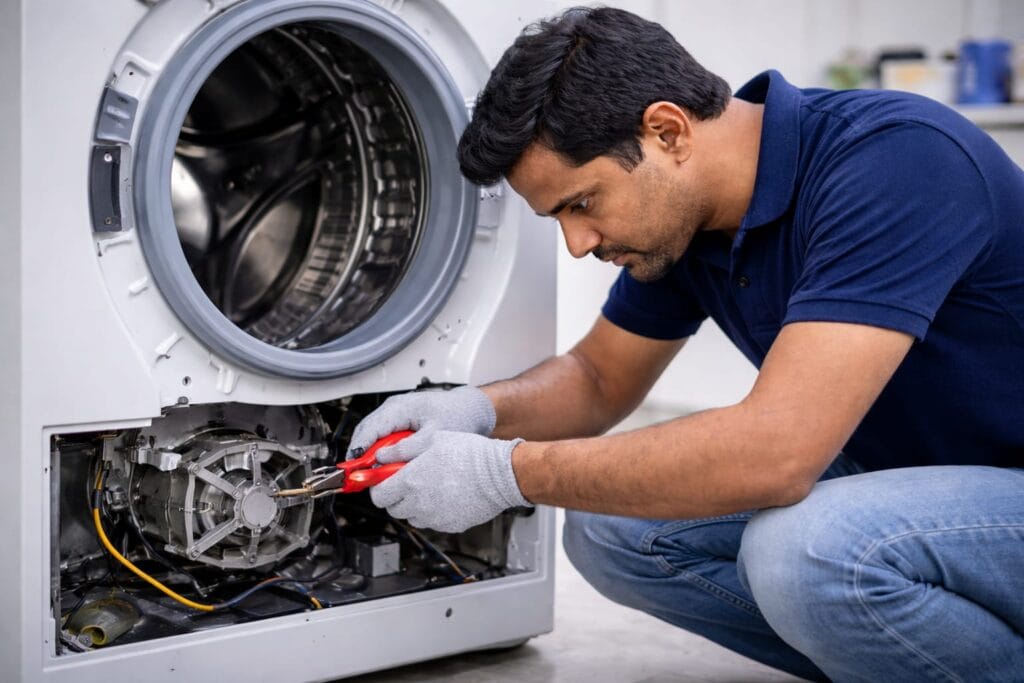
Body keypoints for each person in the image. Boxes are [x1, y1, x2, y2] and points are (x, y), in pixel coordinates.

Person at [349, 7, 1024, 682]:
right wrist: (472, 410)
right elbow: (597, 377)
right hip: (917, 478)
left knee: (809, 551)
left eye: (580, 204)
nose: (578, 244)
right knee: (610, 533)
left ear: (667, 131)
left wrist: (505, 472)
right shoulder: (689, 222)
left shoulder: (894, 161)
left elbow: (778, 452)